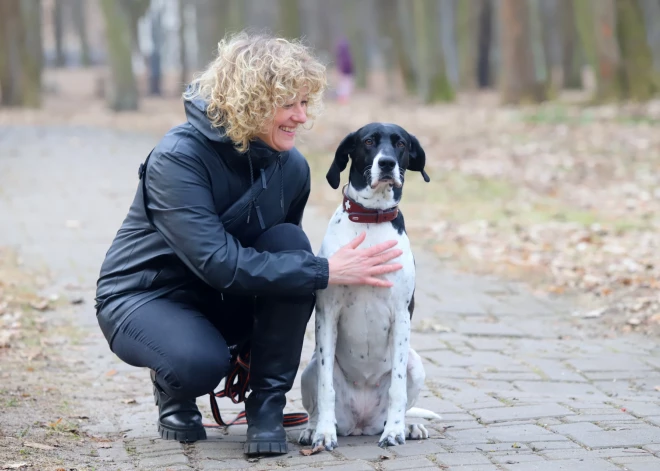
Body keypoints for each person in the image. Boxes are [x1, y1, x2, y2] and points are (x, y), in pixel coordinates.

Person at [94, 31, 402, 457]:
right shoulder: (178, 158)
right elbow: (217, 262)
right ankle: (172, 389)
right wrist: (326, 271)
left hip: (224, 293)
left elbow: (279, 258)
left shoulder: (292, 167)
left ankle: (266, 408)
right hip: (146, 297)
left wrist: (269, 340)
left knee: (291, 242)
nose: (301, 117)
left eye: (305, 103)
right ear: (251, 103)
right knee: (199, 364)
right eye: (288, 104)